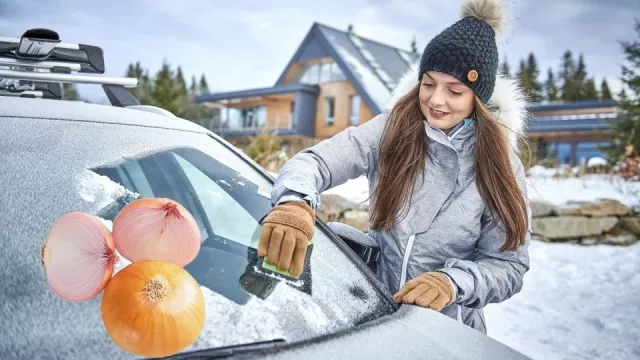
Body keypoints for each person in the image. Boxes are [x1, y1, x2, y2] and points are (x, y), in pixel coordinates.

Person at [257, 0, 532, 334]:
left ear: (478, 98)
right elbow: (315, 162)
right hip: (374, 316)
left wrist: (452, 282)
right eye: (428, 84)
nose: (436, 100)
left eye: (455, 91)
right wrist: (294, 202)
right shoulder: (391, 130)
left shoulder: (499, 164)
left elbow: (508, 265)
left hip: (446, 333)